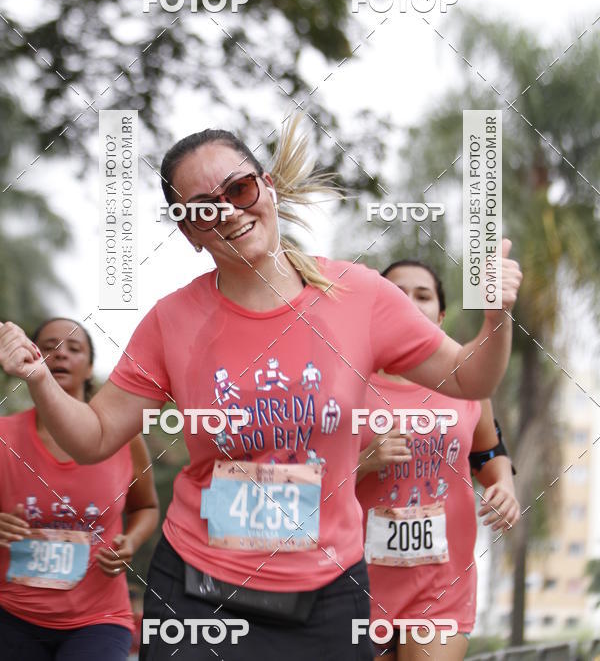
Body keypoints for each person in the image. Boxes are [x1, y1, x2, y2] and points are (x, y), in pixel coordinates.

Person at [0, 117, 522, 660]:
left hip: (327, 591)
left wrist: (496, 319)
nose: (227, 211)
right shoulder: (172, 320)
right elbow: (97, 434)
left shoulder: (359, 296)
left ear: (266, 186)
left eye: (239, 189)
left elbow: (469, 377)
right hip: (198, 589)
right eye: (203, 208)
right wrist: (40, 379)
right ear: (189, 232)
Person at [356, 260, 520, 660]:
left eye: (423, 296)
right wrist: (364, 461)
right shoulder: (347, 381)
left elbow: (489, 453)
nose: (408, 302)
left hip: (440, 586)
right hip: (355, 585)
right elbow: (312, 478)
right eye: (396, 293)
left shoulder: (465, 383)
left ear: (440, 316)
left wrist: (504, 484)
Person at [0, 318, 159, 660]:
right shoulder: (3, 434)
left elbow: (146, 507)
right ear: (29, 355)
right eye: (48, 347)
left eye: (73, 349)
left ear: (89, 368)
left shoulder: (124, 439)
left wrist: (130, 542)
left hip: (99, 620)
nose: (60, 356)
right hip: (11, 614)